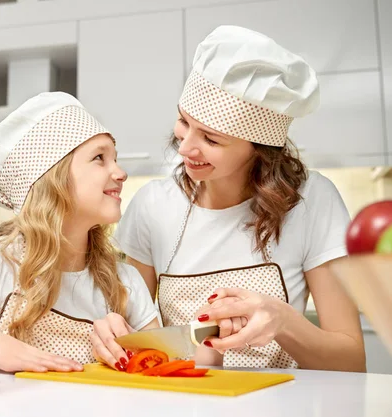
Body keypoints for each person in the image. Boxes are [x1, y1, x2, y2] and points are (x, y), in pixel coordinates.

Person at [90, 25, 366, 372]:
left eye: (211, 138)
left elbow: (351, 362)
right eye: (182, 121)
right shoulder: (152, 206)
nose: (186, 147)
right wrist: (111, 334)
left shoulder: (313, 201)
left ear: (259, 149)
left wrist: (282, 322)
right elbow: (134, 337)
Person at [0, 92, 158, 373]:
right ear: (53, 178)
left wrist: (133, 349)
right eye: (100, 158)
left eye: (115, 158)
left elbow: (163, 372)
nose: (121, 172)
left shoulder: (125, 281)